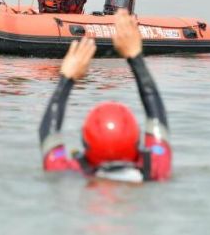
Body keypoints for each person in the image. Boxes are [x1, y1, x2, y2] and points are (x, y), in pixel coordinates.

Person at [38, 10, 171, 183]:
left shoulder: (66, 172)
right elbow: (157, 118)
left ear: (85, 142)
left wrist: (67, 77)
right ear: (136, 142)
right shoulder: (156, 168)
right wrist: (134, 56)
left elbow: (48, 133)